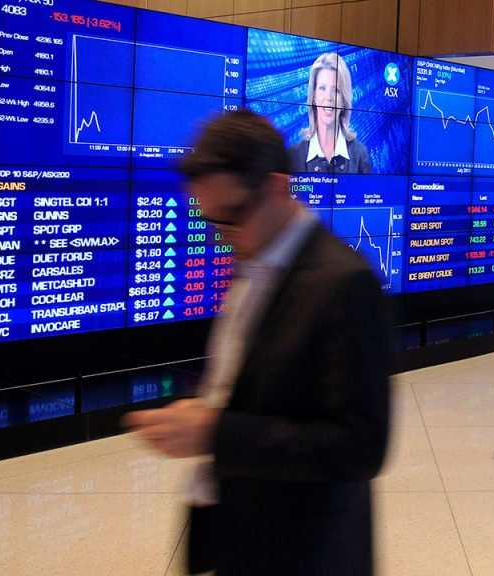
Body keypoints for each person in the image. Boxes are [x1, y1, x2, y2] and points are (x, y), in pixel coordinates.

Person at [123, 109, 391, 575]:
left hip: (306, 555)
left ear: (276, 188)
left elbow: (360, 446)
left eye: (231, 217)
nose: (222, 237)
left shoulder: (344, 283)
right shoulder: (253, 261)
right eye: (212, 222)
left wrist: (215, 432)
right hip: (244, 537)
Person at [288, 52, 373, 174]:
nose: (328, 98)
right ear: (313, 96)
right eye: (322, 88)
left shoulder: (360, 155)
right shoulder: (294, 156)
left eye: (336, 90)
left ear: (343, 100)